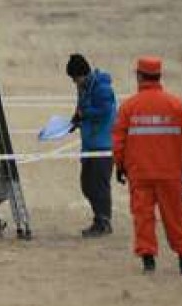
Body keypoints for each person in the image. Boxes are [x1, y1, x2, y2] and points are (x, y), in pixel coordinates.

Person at [113, 56, 182, 276]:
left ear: (140, 76)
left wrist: (120, 166)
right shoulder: (176, 104)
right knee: (176, 218)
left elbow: (119, 140)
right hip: (170, 173)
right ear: (159, 76)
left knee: (143, 218)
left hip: (139, 174)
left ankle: (148, 261)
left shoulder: (129, 106)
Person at [65, 53, 117, 237]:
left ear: (83, 74)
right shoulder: (83, 87)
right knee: (87, 184)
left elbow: (104, 111)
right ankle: (99, 218)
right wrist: (75, 120)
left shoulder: (102, 88)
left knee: (99, 185)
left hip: (103, 145)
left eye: (74, 78)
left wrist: (84, 114)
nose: (74, 82)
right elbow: (82, 109)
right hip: (89, 145)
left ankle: (104, 222)